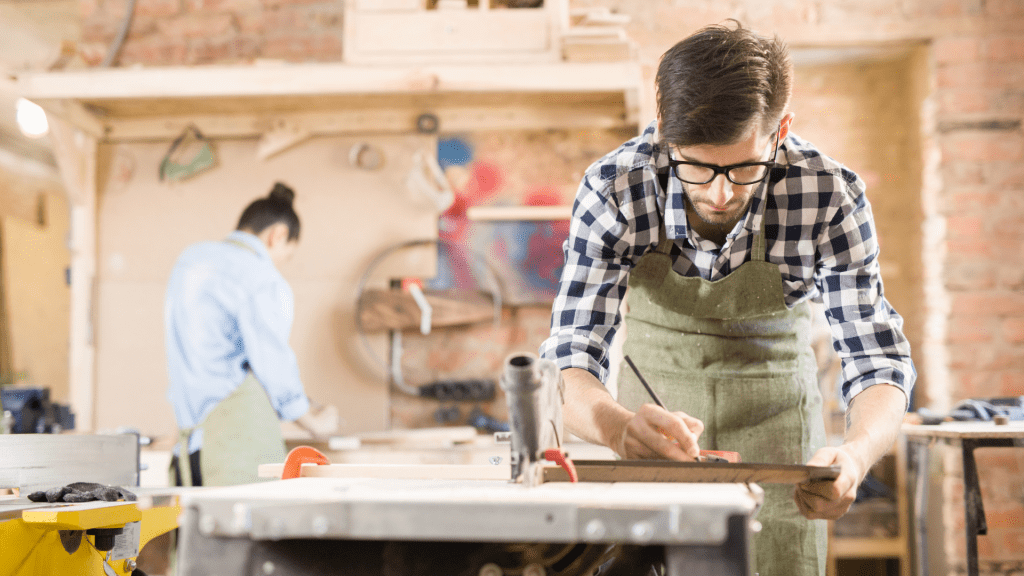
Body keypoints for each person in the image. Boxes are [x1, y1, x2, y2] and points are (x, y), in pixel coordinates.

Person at [539, 22, 915, 575]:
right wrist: (619, 429)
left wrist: (856, 455)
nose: (720, 192)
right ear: (665, 128)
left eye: (743, 168)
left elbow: (877, 358)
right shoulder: (616, 188)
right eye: (696, 166)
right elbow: (570, 354)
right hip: (653, 456)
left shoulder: (827, 194)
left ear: (780, 129)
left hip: (780, 451)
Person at [165, 182, 338, 487]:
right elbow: (273, 365)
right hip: (234, 452)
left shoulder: (189, 260)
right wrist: (314, 422)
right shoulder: (260, 277)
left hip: (187, 452)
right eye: (286, 255)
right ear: (278, 235)